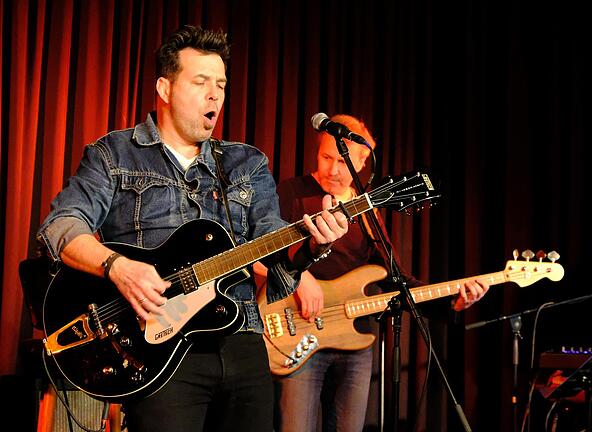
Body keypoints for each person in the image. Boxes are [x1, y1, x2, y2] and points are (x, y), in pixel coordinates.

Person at [35, 25, 349, 432]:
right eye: (201, 82)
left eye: (220, 83)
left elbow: (276, 259)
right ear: (164, 88)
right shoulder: (114, 153)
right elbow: (60, 224)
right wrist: (118, 267)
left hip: (242, 341)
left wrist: (311, 245)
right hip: (155, 350)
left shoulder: (246, 163)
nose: (215, 94)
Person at [255, 114, 490, 432]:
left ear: (363, 162)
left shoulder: (367, 212)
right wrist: (299, 277)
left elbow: (396, 279)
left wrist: (452, 302)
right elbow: (253, 254)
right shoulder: (292, 193)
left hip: (355, 341)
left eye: (343, 161)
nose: (334, 170)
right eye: (326, 157)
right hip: (298, 332)